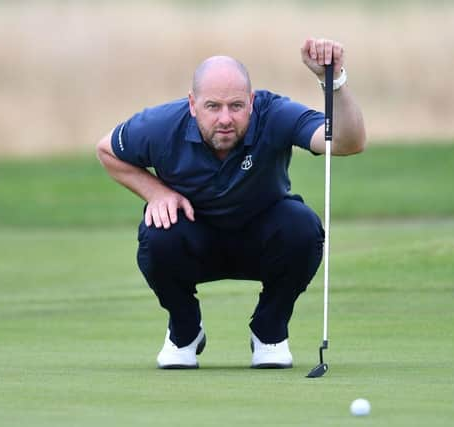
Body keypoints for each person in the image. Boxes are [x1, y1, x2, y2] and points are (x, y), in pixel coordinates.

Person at [96, 37, 366, 369]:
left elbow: (347, 142)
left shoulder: (274, 114)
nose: (225, 118)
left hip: (262, 236)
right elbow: (106, 149)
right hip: (194, 238)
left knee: (303, 227)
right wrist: (158, 192)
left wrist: (334, 81)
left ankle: (270, 331)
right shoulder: (161, 126)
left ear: (251, 102)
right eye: (213, 106)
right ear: (193, 104)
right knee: (157, 233)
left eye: (236, 106)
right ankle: (185, 331)